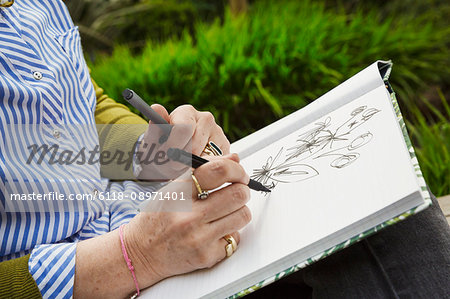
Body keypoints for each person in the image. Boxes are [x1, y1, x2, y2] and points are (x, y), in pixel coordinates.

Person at [0, 1, 449, 299]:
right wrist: (132, 257)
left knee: (383, 208)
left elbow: (79, 107)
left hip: (150, 227)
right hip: (94, 276)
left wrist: (146, 150)